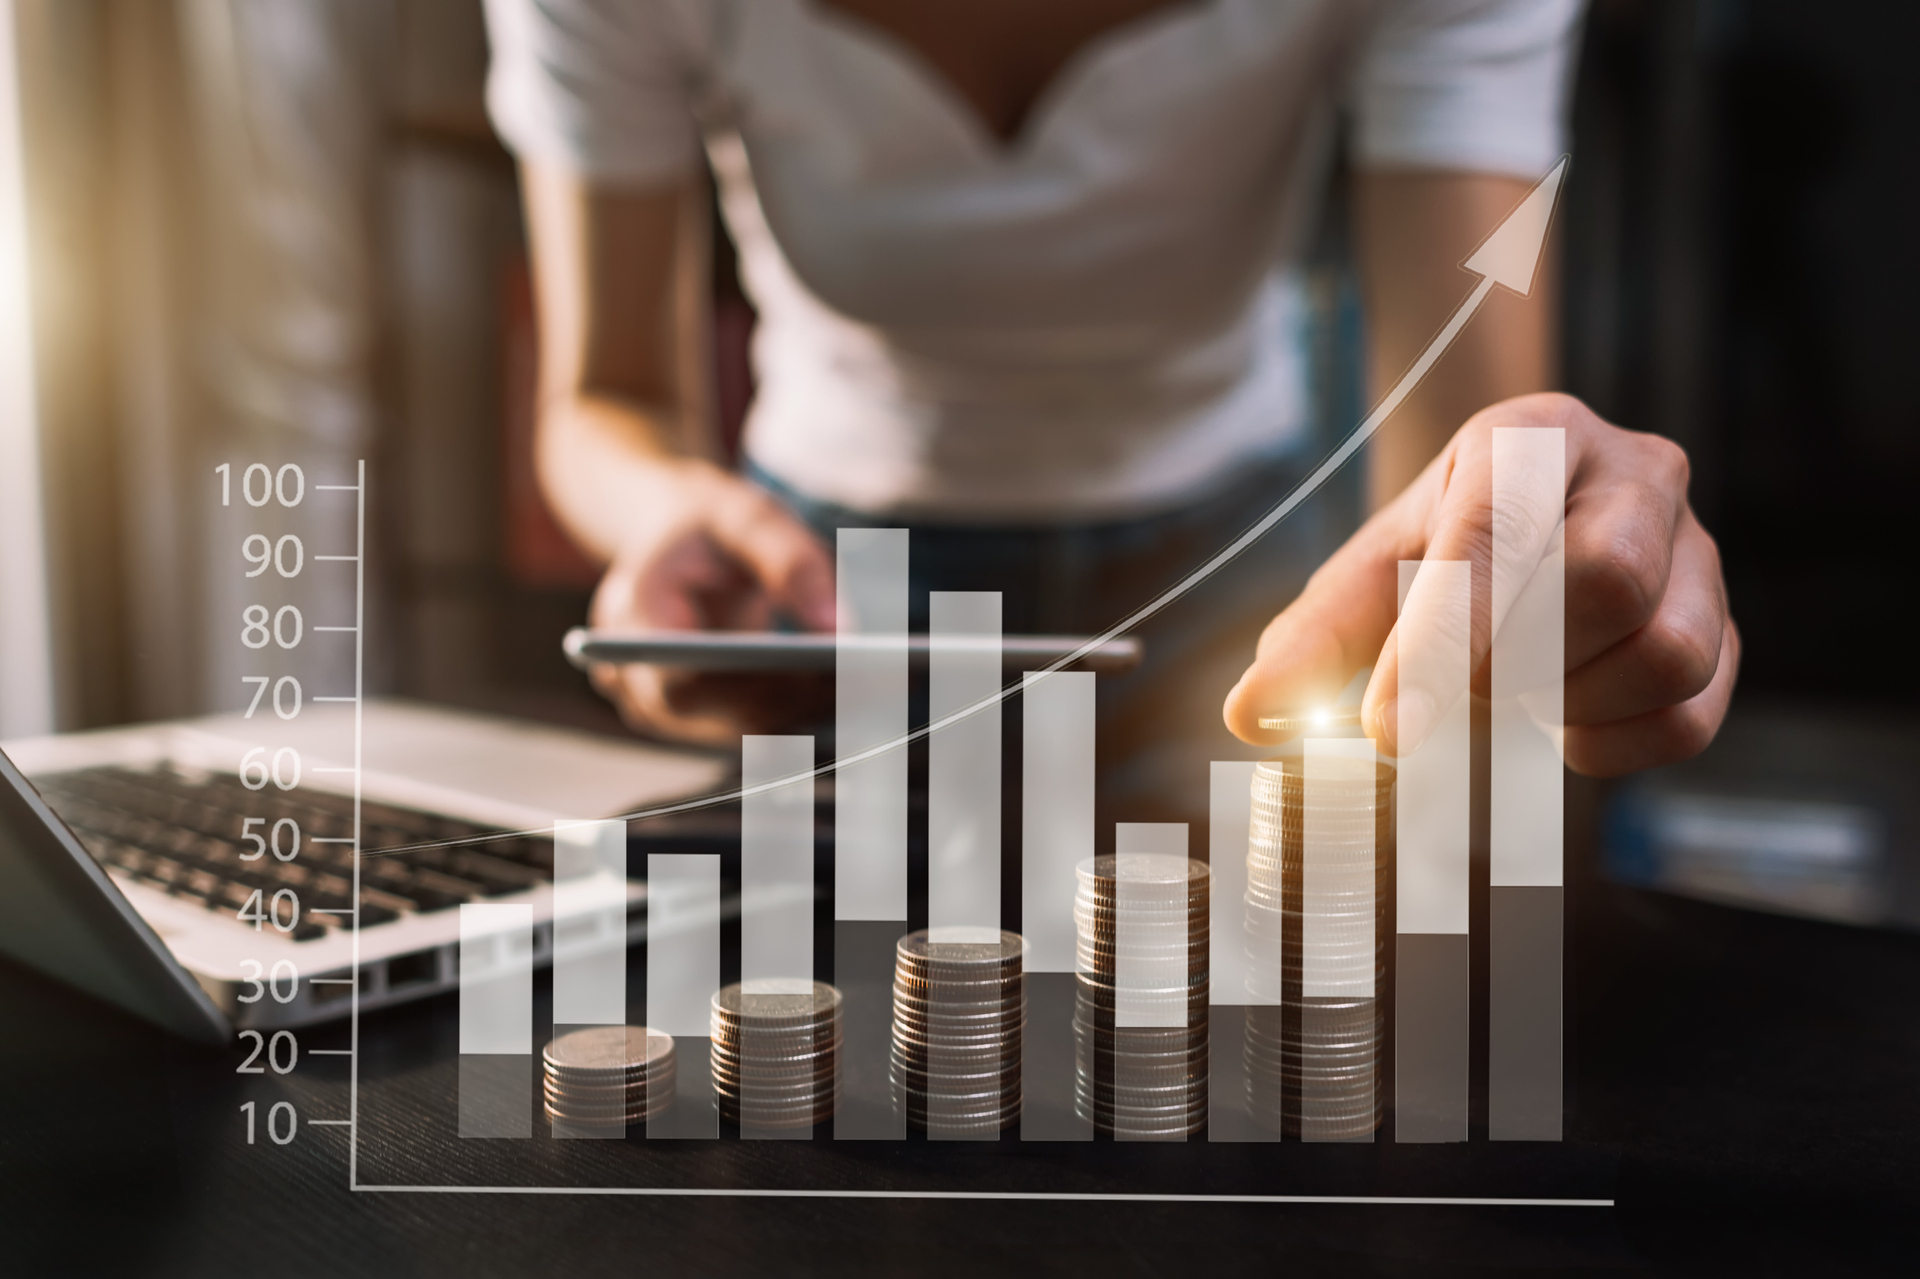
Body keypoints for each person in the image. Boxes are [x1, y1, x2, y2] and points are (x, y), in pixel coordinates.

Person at [481, 0, 1736, 815]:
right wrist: (665, 514)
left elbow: (1464, 435)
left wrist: (1530, 520)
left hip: (1249, 594)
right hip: (825, 622)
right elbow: (608, 400)